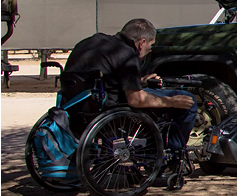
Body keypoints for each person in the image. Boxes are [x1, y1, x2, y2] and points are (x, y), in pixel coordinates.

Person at [62, 18, 197, 150]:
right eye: (150, 46)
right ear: (142, 43)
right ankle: (172, 153)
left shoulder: (91, 42)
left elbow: (107, 78)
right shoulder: (126, 54)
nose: (149, 50)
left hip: (77, 108)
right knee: (187, 100)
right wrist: (172, 101)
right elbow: (136, 100)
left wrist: (140, 82)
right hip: (108, 109)